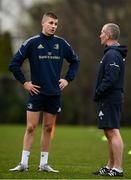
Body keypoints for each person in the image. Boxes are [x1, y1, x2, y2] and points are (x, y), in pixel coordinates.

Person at [9, 12, 80, 172]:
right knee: (31, 127)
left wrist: (67, 79)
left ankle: (43, 164)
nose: (53, 26)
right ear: (43, 24)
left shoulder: (62, 44)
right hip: (36, 93)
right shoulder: (32, 43)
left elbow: (76, 61)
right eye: (50, 23)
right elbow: (14, 64)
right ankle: (23, 163)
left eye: (55, 23)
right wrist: (25, 83)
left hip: (54, 93)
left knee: (48, 128)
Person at [93, 23, 127, 177]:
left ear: (107, 35)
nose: (100, 35)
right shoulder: (110, 53)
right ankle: (110, 165)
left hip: (111, 98)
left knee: (113, 131)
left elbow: (111, 78)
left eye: (101, 32)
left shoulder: (113, 54)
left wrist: (99, 92)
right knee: (108, 132)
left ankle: (118, 168)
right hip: (108, 98)